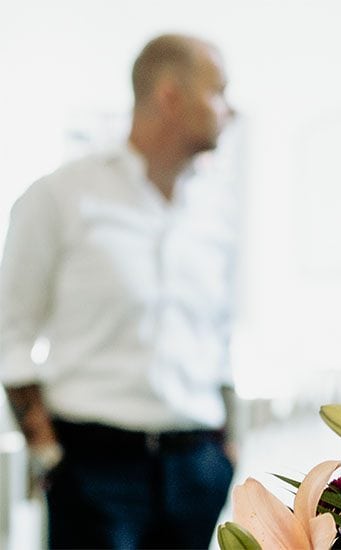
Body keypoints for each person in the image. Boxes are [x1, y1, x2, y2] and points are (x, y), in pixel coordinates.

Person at [0, 33, 238, 549]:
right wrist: (49, 455)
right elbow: (11, 336)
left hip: (196, 469)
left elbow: (218, 343)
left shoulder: (215, 214)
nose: (230, 109)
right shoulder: (61, 197)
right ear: (170, 95)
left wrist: (227, 453)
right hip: (95, 471)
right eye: (218, 92)